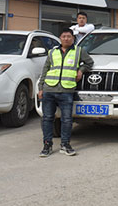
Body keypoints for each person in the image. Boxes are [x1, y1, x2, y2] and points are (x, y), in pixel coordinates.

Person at [37, 28, 94, 157]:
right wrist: (41, 88)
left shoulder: (79, 51)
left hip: (66, 90)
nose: (66, 39)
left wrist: (81, 70)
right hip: (49, 90)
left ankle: (65, 144)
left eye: (69, 36)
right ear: (60, 38)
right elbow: (45, 70)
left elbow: (89, 62)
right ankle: (47, 145)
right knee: (47, 119)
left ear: (73, 38)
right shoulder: (52, 52)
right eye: (64, 36)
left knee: (67, 120)